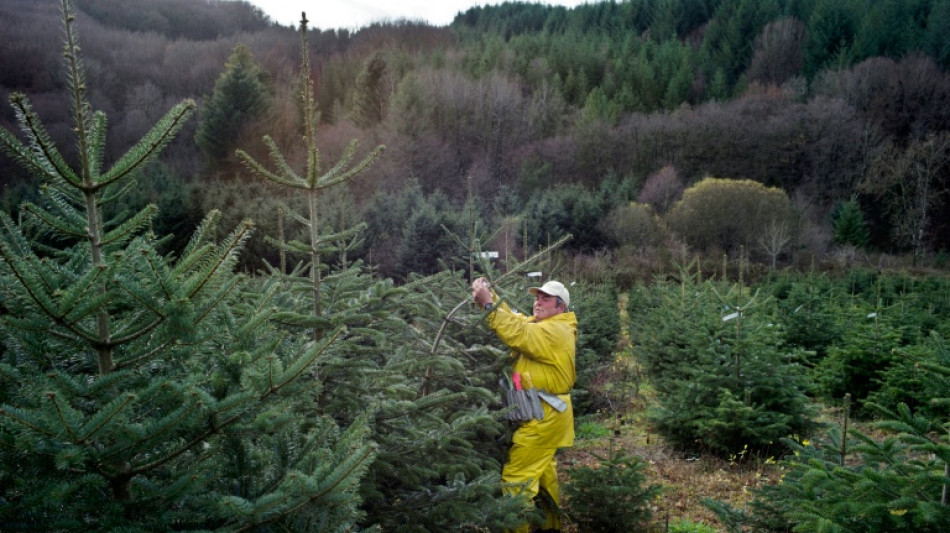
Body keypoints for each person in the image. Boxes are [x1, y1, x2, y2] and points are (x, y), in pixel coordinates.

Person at [471, 277, 577, 533]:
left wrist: (488, 306)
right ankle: (549, 526)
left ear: (560, 307)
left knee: (516, 480)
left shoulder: (555, 331)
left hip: (545, 415)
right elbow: (516, 319)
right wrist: (490, 295)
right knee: (543, 474)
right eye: (537, 297)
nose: (538, 302)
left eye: (546, 298)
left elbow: (518, 334)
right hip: (541, 412)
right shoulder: (542, 323)